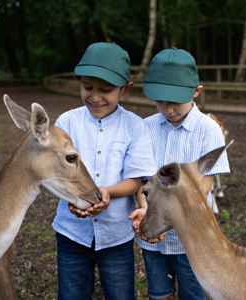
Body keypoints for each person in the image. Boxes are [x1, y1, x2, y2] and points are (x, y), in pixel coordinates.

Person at [52, 42, 156, 300]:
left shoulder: (135, 126)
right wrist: (74, 199)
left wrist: (104, 192)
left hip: (115, 236)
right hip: (71, 233)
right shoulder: (66, 122)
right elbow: (55, 173)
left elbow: (135, 179)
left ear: (126, 89)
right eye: (87, 87)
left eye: (106, 90)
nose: (95, 97)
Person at [129, 48, 231, 300]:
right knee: (159, 293)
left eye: (175, 100)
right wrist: (146, 209)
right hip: (151, 232)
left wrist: (169, 217)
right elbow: (143, 180)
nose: (168, 108)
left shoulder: (209, 130)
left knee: (192, 293)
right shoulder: (146, 127)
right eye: (161, 101)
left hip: (191, 238)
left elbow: (202, 187)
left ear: (196, 91)